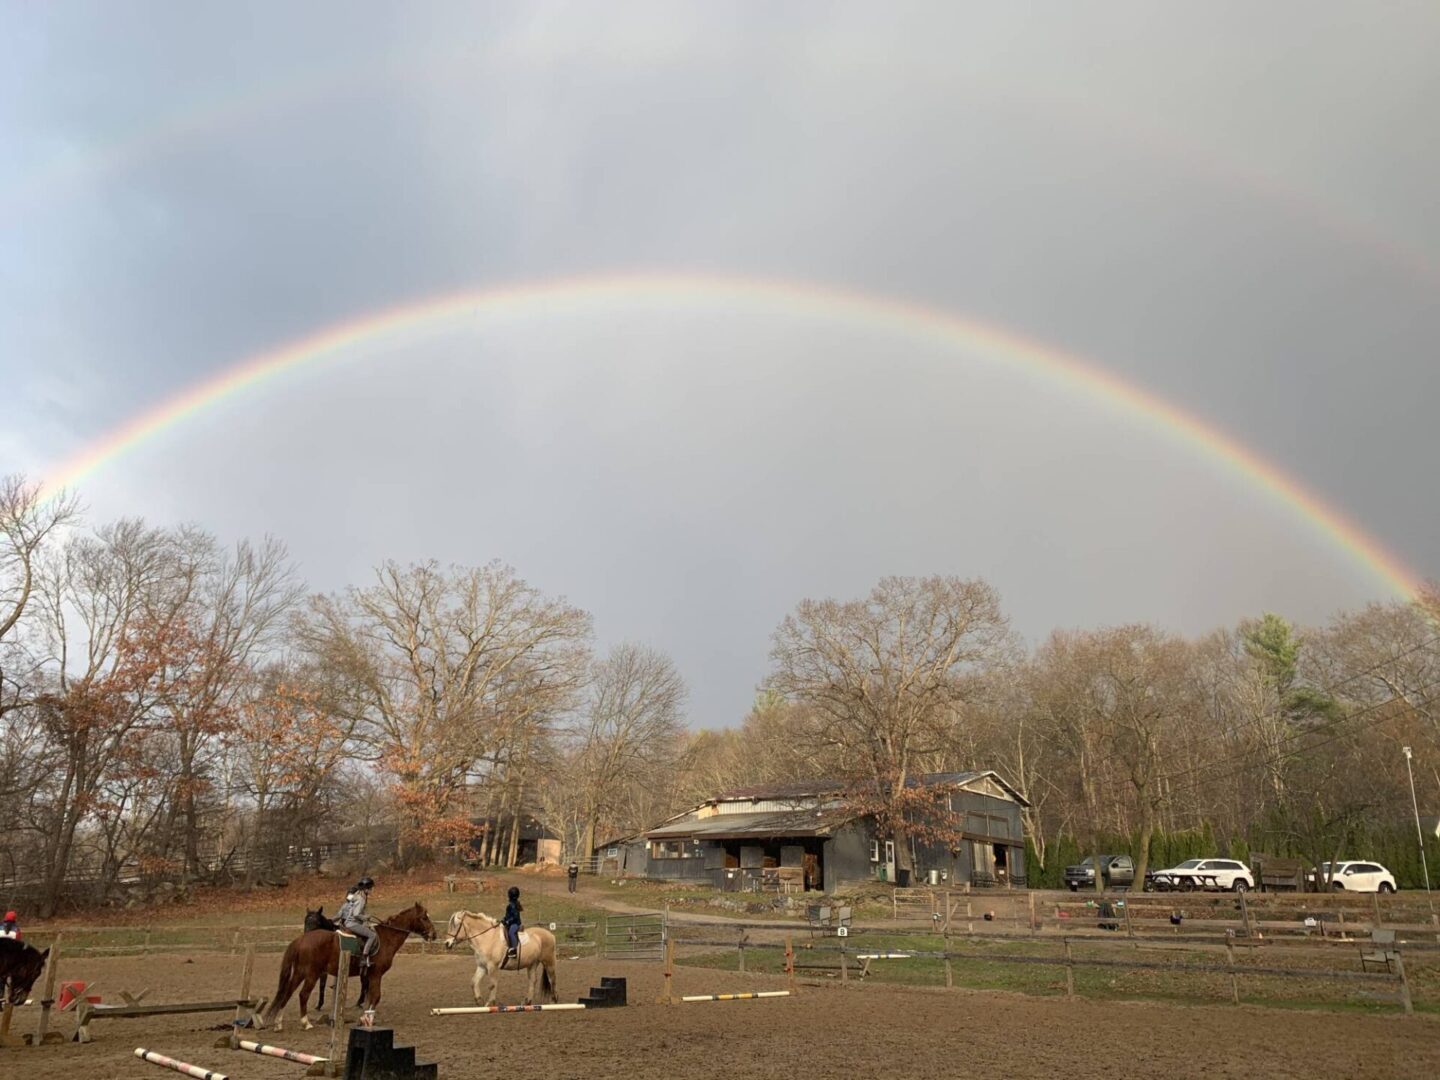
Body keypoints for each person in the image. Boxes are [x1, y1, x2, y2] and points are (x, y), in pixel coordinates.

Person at [337, 877, 378, 967]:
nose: (372, 890)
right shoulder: (361, 899)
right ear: (366, 889)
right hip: (353, 924)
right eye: (371, 888)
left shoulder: (356, 896)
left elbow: (348, 898)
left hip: (349, 922)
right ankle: (364, 958)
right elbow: (356, 914)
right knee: (372, 935)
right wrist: (366, 917)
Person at [501, 885, 523, 966]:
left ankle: (514, 950)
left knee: (511, 932)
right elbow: (508, 915)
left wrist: (507, 921)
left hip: (515, 924)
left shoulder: (513, 905)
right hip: (511, 922)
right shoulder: (511, 904)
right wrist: (503, 919)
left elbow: (514, 917)